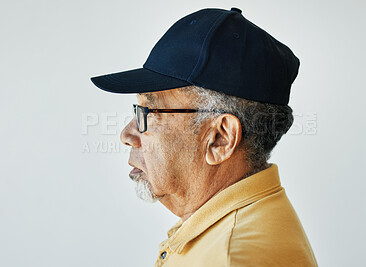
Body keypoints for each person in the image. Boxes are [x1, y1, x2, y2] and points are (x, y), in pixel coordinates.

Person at [91, 7, 317, 267]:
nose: (127, 135)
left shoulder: (231, 259)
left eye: (148, 112)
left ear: (220, 138)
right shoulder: (227, 227)